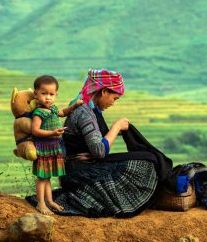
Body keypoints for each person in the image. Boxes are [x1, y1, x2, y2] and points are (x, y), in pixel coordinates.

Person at [27, 68, 172, 218]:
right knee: (147, 162)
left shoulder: (89, 107)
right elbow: (99, 151)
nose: (113, 103)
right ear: (103, 92)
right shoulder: (85, 113)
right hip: (79, 171)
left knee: (147, 157)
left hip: (83, 165)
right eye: (114, 98)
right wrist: (116, 127)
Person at [30, 75, 83, 215]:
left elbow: (62, 112)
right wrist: (52, 132)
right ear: (36, 94)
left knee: (47, 176)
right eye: (44, 93)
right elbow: (35, 131)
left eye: (51, 94)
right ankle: (40, 203)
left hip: (54, 148)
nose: (48, 97)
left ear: (56, 95)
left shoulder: (53, 109)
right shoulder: (39, 112)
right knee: (42, 177)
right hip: (44, 149)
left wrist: (74, 106)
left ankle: (49, 200)